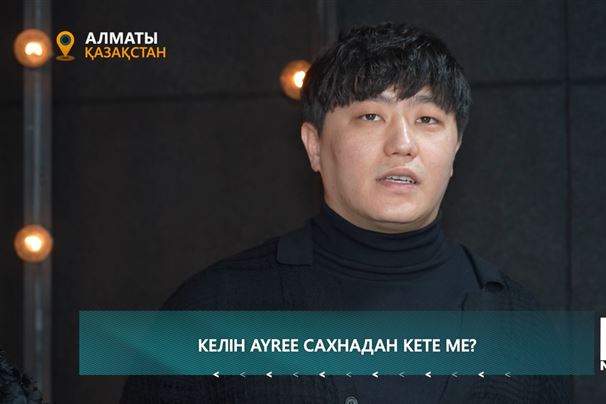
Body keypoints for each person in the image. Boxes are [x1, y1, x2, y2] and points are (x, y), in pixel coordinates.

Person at [121, 22, 569, 403]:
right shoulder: (212, 310)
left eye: (427, 119)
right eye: (371, 116)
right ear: (314, 145)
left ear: (456, 149)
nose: (402, 144)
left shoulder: (520, 324)